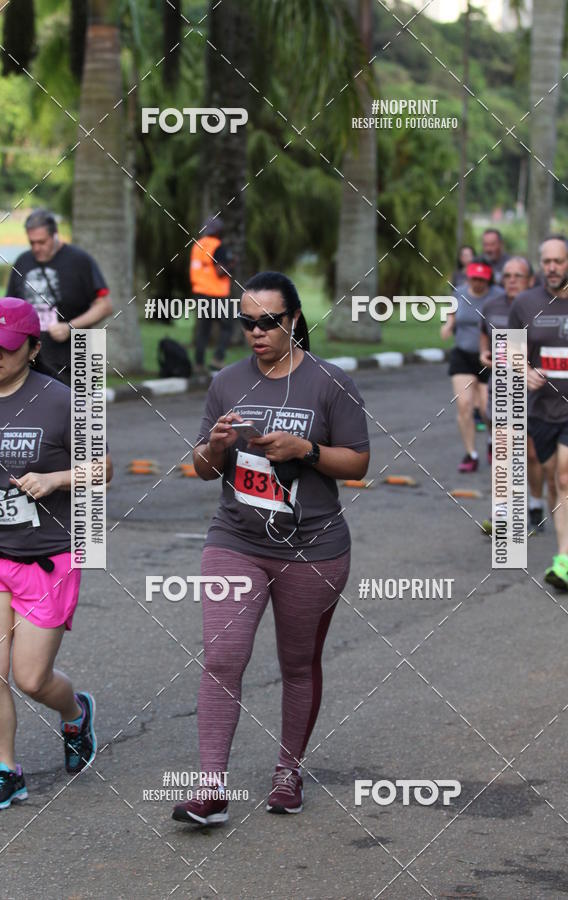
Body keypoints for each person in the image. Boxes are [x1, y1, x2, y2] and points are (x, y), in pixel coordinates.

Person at [172, 271, 370, 826]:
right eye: (247, 323)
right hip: (235, 539)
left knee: (298, 663)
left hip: (313, 545)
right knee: (222, 657)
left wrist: (305, 449)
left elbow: (357, 462)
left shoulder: (331, 382)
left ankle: (288, 771)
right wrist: (212, 446)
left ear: (295, 321)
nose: (256, 332)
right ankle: (210, 787)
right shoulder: (226, 382)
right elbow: (202, 469)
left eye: (268, 322)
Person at [0, 297, 113, 809]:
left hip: (49, 557)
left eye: (5, 347)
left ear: (32, 347)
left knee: (30, 678)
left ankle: (75, 713)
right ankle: (7, 770)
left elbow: (105, 468)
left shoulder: (62, 399)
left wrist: (55, 478)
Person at [508, 235, 568, 590]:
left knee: (566, 478)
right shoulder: (526, 304)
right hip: (542, 408)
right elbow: (510, 351)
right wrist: (522, 368)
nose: (551, 268)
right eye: (545, 261)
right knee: (551, 480)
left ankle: (562, 562)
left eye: (558, 261)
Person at [5, 209, 113, 385]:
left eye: (42, 242)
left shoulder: (80, 260)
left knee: (83, 411)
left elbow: (105, 305)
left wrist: (70, 327)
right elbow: (10, 308)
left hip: (78, 356)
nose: (36, 248)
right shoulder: (22, 261)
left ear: (55, 235)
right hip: (34, 360)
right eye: (32, 242)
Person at [478, 257, 546, 534]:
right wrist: (484, 355)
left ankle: (536, 503)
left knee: (530, 454)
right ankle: (503, 513)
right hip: (503, 385)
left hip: (535, 389)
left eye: (519, 275)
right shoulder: (492, 307)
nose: (512, 280)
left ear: (531, 280)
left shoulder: (542, 307)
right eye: (507, 276)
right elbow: (485, 342)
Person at [441, 258, 502, 472]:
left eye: (481, 280)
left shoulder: (499, 296)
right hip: (463, 355)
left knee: (488, 408)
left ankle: (492, 441)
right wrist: (448, 325)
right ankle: (471, 454)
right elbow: (451, 313)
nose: (477, 283)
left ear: (489, 279)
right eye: (473, 278)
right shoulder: (459, 293)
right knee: (464, 405)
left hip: (489, 357)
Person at [190, 216, 234, 373]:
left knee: (203, 330)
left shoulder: (197, 246)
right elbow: (220, 271)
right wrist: (231, 265)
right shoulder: (218, 247)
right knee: (228, 326)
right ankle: (218, 358)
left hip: (200, 294)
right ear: (218, 231)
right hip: (216, 295)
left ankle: (199, 364)